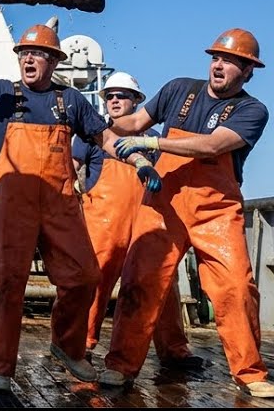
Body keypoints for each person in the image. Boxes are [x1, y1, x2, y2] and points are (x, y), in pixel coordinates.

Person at [0, 13, 159, 393]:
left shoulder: (70, 101)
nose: (28, 59)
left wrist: (138, 159)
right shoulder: (1, 95)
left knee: (84, 277)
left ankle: (67, 345)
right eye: (24, 53)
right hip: (13, 209)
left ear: (55, 61)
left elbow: (104, 138)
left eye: (38, 53)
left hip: (60, 205)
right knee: (3, 283)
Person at [99, 30, 274, 399]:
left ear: (248, 71)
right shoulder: (178, 88)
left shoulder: (252, 110)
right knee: (140, 281)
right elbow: (131, 124)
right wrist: (81, 115)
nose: (219, 65)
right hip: (163, 204)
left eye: (229, 61)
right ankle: (119, 366)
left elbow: (212, 145)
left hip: (215, 211)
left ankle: (249, 372)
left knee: (236, 287)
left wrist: (154, 142)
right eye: (215, 58)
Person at [72, 71, 197, 366]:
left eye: (122, 96)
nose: (114, 100)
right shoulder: (94, 135)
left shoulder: (154, 140)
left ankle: (174, 350)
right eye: (110, 96)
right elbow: (70, 167)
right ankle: (81, 344)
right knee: (95, 281)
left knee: (161, 283)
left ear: (137, 101)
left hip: (146, 223)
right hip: (102, 226)